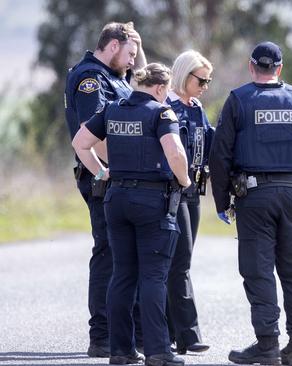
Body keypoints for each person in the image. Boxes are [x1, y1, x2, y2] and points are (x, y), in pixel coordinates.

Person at [209, 41, 292, 366]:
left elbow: (219, 155)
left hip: (254, 197)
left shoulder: (238, 100)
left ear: (251, 67)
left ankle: (267, 345)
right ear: (280, 68)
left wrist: (221, 202)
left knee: (258, 270)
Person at [71, 63, 190, 366]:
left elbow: (80, 143)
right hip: (152, 201)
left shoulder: (112, 109)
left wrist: (101, 173)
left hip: (116, 199)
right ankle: (158, 351)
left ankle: (120, 350)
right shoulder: (161, 113)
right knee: (153, 276)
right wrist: (186, 181)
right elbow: (175, 152)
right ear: (161, 88)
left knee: (122, 275)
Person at [64, 21, 146, 358]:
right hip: (102, 177)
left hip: (123, 177)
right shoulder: (90, 78)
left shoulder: (118, 76)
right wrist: (110, 170)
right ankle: (101, 336)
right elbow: (92, 131)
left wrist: (138, 50)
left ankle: (131, 333)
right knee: (108, 253)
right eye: (129, 53)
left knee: (128, 254)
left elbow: (147, 85)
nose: (132, 61)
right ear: (112, 46)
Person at [164, 50, 213, 355]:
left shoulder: (196, 108)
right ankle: (188, 335)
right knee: (179, 263)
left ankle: (168, 332)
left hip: (194, 191)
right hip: (172, 191)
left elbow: (209, 141)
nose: (206, 86)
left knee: (181, 262)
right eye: (202, 80)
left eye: (209, 81)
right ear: (185, 75)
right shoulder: (165, 106)